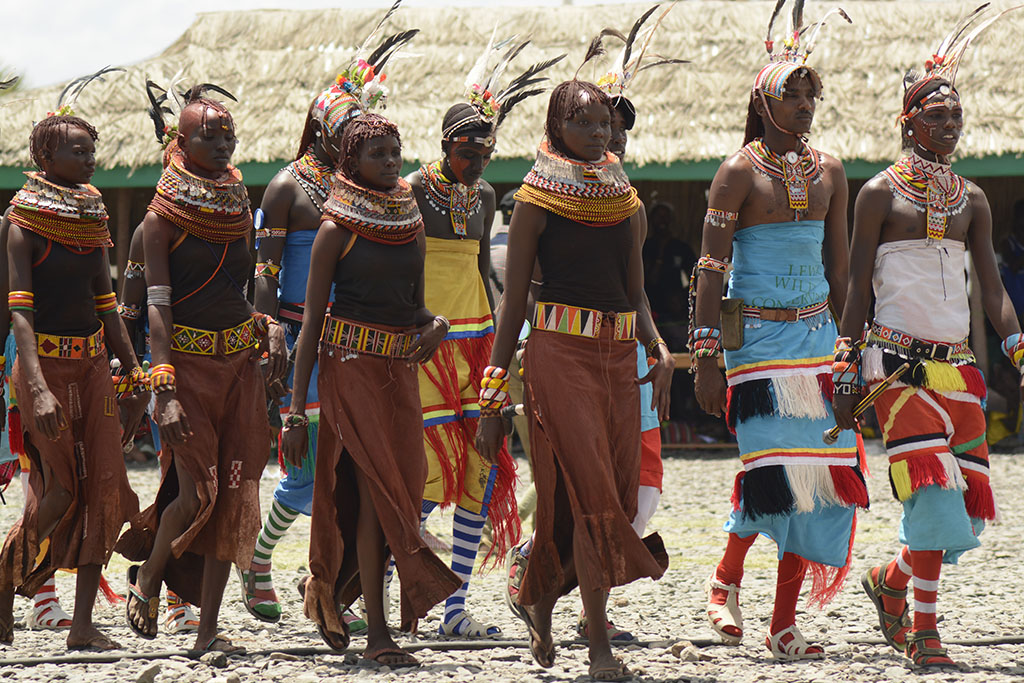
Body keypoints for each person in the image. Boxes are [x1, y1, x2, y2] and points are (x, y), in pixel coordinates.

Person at [833, 5, 1019, 668]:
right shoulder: (878, 194)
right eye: (934, 115)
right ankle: (926, 633)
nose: (947, 124)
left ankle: (890, 581)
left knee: (966, 509)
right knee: (931, 494)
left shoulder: (971, 199)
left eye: (954, 116)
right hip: (897, 365)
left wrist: (1018, 344)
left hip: (959, 368)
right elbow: (856, 288)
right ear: (907, 122)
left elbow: (991, 288)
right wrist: (847, 363)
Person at [477, 73, 673, 680]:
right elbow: (513, 303)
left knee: (610, 492)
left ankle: (537, 594)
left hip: (619, 359)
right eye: (580, 122)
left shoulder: (626, 198)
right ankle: (598, 649)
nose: (595, 132)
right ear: (555, 128)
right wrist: (493, 390)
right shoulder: (535, 200)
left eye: (601, 122)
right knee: (590, 492)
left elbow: (635, 292)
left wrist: (659, 349)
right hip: (558, 355)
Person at [692, 4, 865, 660]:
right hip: (756, 346)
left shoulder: (831, 170)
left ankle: (783, 622)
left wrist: (853, 346)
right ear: (762, 102)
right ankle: (726, 579)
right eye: (789, 93)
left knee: (819, 478)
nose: (803, 103)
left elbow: (842, 270)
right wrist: (707, 357)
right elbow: (711, 271)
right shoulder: (737, 172)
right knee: (771, 469)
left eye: (809, 92)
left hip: (819, 341)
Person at [243, 11, 416, 629]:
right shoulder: (287, 188)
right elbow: (265, 273)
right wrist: (269, 340)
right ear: (321, 127)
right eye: (340, 127)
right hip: (300, 337)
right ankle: (260, 558)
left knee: (355, 466)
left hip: (357, 342)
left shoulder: (360, 188)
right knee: (309, 469)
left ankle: (336, 581)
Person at [282, 112, 461, 667]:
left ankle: (327, 594)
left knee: (404, 490)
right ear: (351, 162)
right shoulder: (336, 228)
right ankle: (378, 635)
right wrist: (293, 413)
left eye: (395, 150)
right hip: (350, 369)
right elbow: (311, 323)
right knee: (374, 496)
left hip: (399, 374)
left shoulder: (411, 221)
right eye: (376, 154)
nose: (390, 161)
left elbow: (415, 306)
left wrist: (436, 326)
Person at [115, 87, 286, 653]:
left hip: (240, 364)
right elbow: (156, 307)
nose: (220, 144)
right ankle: (147, 576)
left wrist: (267, 325)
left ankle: (207, 631)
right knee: (196, 495)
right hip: (186, 368)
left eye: (227, 136)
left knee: (235, 495)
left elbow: (246, 282)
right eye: (207, 137)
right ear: (180, 144)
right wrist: (161, 389)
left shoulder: (239, 201)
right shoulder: (157, 221)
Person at [404, 41, 561, 639]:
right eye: (467, 143)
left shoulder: (490, 195)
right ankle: (395, 593)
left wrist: (505, 334)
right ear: (445, 143)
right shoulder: (413, 190)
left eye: (486, 145)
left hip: (478, 344)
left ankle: (456, 609)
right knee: (426, 474)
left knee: (482, 469)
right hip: (425, 344)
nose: (478, 154)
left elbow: (482, 271)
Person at [0, 86, 146, 650]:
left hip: (92, 370)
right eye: (78, 150)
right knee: (58, 491)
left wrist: (135, 372)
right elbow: (19, 314)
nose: (90, 158)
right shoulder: (21, 224)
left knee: (105, 491)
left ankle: (82, 627)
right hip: (43, 370)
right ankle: (8, 579)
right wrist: (35, 388)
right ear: (44, 159)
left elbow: (106, 303)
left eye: (92, 149)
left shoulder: (92, 213)